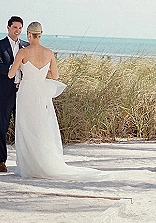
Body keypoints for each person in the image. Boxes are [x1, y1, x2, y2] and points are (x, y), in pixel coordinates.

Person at [8, 21, 102, 180]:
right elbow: (55, 75)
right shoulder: (49, 53)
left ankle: (29, 165)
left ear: (29, 35)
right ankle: (43, 161)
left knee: (25, 127)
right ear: (41, 34)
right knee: (41, 126)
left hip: (26, 93)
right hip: (41, 93)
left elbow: (11, 74)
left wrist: (19, 68)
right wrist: (42, 72)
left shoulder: (23, 52)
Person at [0, 16, 29, 172]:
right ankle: (1, 161)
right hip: (5, 92)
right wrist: (15, 66)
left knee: (22, 127)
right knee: (2, 127)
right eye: (15, 27)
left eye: (20, 28)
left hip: (23, 91)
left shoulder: (26, 46)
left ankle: (25, 162)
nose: (17, 30)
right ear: (8, 28)